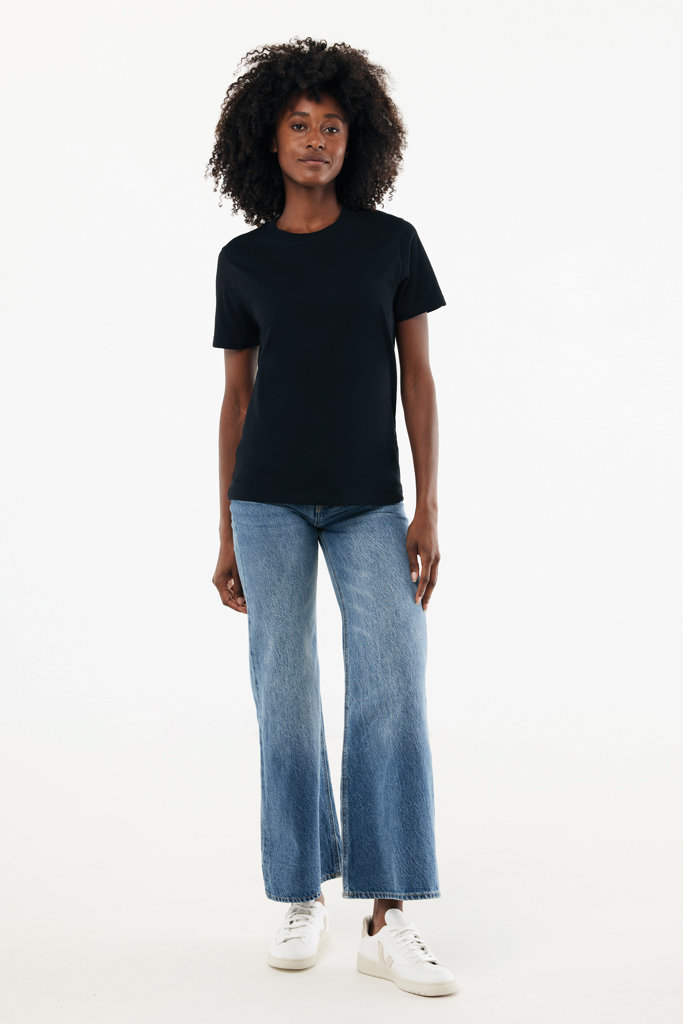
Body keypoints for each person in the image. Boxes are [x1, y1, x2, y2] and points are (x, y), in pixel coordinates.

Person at [206, 37, 457, 998]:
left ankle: (388, 917)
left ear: (358, 141)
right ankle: (300, 892)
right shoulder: (243, 261)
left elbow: (418, 380)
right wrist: (224, 529)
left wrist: (427, 506)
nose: (316, 139)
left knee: (391, 689)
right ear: (267, 140)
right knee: (283, 695)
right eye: (299, 125)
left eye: (333, 126)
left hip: (369, 503)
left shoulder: (390, 244)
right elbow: (236, 399)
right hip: (265, 502)